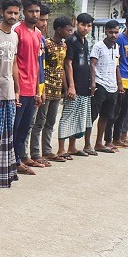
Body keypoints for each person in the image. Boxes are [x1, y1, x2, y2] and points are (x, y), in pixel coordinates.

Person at [0, 0, 21, 187]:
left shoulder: (15, 35)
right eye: (9, 12)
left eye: (16, 13)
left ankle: (5, 173)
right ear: (2, 12)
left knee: (8, 134)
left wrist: (17, 89)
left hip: (9, 91)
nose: (13, 16)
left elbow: (14, 63)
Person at [31, 15, 72, 163]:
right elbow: (39, 67)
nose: (70, 33)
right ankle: (36, 153)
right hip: (45, 88)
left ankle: (47, 151)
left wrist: (66, 88)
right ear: (59, 29)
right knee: (39, 122)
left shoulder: (64, 46)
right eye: (68, 30)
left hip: (57, 89)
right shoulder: (46, 44)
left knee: (50, 122)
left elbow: (63, 68)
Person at [12, 0, 44, 174]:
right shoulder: (17, 31)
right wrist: (17, 88)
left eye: (37, 11)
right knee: (15, 127)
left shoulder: (38, 33)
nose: (34, 14)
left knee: (25, 127)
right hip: (20, 87)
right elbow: (14, 61)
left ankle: (19, 159)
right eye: (31, 11)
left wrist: (38, 90)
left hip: (32, 87)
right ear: (24, 12)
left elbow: (37, 63)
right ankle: (14, 161)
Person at [57, 13, 94, 157]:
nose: (85, 28)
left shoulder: (85, 41)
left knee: (79, 117)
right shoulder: (71, 40)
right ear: (76, 23)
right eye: (83, 25)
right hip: (74, 86)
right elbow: (68, 63)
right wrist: (71, 86)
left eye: (89, 26)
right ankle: (61, 149)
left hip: (84, 85)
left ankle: (72, 147)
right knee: (67, 116)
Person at [90, 19, 121, 153]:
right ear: (106, 32)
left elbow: (116, 66)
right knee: (92, 116)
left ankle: (99, 143)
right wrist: (92, 83)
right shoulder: (98, 46)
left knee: (105, 117)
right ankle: (87, 144)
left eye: (115, 32)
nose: (113, 35)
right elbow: (92, 65)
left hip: (112, 85)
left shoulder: (117, 46)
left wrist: (119, 83)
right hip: (100, 83)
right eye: (111, 32)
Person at [108, 14, 128, 148]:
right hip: (120, 79)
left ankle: (120, 137)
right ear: (126, 25)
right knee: (116, 112)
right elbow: (116, 61)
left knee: (125, 111)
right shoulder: (120, 39)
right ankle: (111, 139)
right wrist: (119, 81)